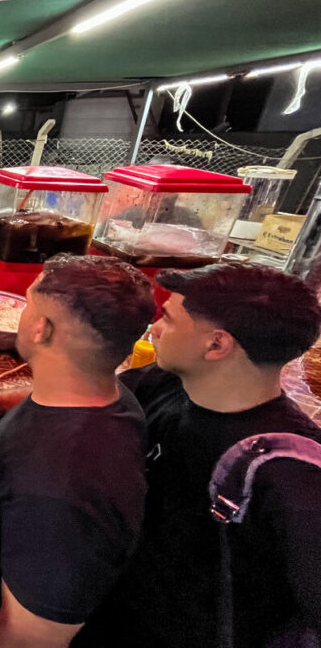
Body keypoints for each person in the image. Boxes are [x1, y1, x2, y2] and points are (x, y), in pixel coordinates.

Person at [72, 263, 321, 648]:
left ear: (216, 345)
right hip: (112, 610)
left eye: (168, 319)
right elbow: (85, 398)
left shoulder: (288, 468)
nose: (154, 328)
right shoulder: (169, 382)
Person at [0, 254, 155, 647]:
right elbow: (44, 391)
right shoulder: (107, 394)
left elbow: (30, 636)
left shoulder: (62, 487)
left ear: (42, 329)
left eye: (27, 303)